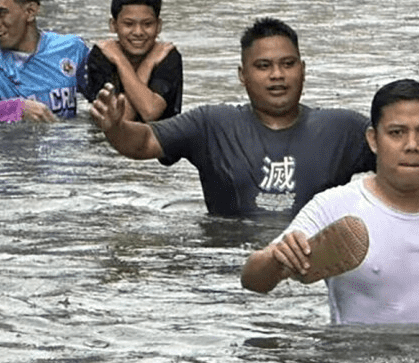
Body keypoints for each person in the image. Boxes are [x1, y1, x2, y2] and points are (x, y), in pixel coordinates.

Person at [240, 79, 419, 325]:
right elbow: (253, 281)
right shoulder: (334, 206)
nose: (412, 145)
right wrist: (276, 260)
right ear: (373, 140)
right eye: (396, 133)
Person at [90, 17, 374, 218]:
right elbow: (143, 143)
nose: (277, 75)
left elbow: (407, 169)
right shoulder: (211, 124)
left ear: (302, 70)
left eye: (287, 64)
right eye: (263, 66)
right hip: (228, 272)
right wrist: (115, 128)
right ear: (243, 75)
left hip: (312, 267)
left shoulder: (344, 129)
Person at [79, 0, 182, 122]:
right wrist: (127, 61)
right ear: (113, 25)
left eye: (147, 24)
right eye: (128, 24)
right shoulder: (103, 55)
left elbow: (150, 112)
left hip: (160, 140)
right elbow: (119, 121)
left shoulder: (167, 55)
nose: (138, 32)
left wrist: (132, 62)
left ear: (158, 26)